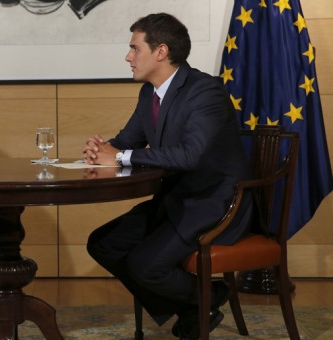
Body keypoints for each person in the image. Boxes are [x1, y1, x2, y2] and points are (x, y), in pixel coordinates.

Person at [82, 13, 255, 339]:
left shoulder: (206, 92)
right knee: (103, 244)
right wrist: (102, 148)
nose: (128, 57)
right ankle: (196, 303)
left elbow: (190, 155)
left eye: (134, 48)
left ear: (160, 51)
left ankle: (208, 297)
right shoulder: (150, 93)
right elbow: (127, 142)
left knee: (145, 266)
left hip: (213, 203)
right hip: (175, 199)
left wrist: (117, 156)